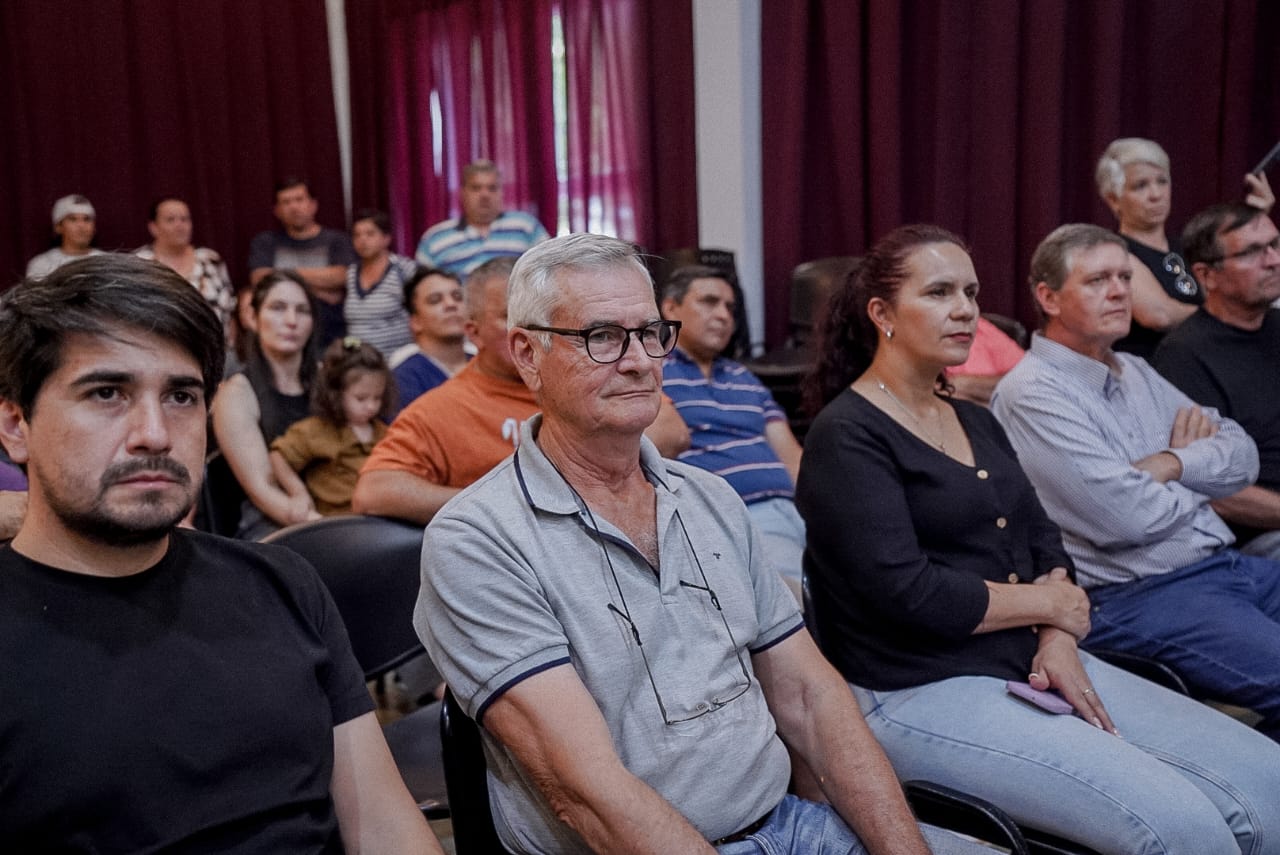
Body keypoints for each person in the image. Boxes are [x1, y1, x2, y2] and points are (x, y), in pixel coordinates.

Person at [414, 232, 985, 855]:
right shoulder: (478, 540)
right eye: (601, 337)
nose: (638, 361)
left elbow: (812, 700)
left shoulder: (710, 498)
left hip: (790, 826)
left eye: (650, 333)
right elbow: (587, 794)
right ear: (527, 354)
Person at [798, 223, 1280, 853]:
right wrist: (1050, 607)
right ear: (882, 313)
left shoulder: (974, 417)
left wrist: (1056, 637)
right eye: (940, 292)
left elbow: (1043, 541)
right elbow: (908, 594)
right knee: (1187, 830)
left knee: (1267, 782)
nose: (966, 309)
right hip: (915, 686)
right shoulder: (847, 435)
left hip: (1035, 659)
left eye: (970, 292)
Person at [0, 254, 441, 853]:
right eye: (107, 392)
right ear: (15, 423)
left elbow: (387, 830)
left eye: (181, 396)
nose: (154, 433)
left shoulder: (282, 583)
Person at [991, 223, 1280, 742]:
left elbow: (1243, 457)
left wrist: (1170, 463)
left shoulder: (1133, 370)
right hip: (1143, 594)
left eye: (1125, 276)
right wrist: (1198, 471)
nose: (1122, 290)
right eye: (1099, 279)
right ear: (1048, 297)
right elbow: (1129, 517)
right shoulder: (1032, 393)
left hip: (1226, 564)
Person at [353, 257, 689, 525]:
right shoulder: (442, 409)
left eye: (543, 316)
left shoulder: (589, 377)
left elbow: (671, 430)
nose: (534, 330)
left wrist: (587, 475)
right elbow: (374, 491)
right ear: (474, 332)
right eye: (513, 317)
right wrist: (510, 503)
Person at [659, 265, 806, 596]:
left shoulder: (744, 377)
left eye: (729, 307)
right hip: (736, 517)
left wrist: (825, 513)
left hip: (795, 510)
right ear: (670, 308)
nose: (723, 316)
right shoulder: (653, 371)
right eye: (709, 302)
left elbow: (791, 455)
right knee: (795, 600)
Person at [1153, 204, 1280, 559]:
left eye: (1274, 245)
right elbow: (1210, 487)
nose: (1272, 260)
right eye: (1252, 252)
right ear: (1207, 275)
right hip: (1257, 537)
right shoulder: (1184, 357)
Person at [1095, 137, 1274, 358]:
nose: (1156, 194)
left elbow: (1230, 288)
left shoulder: (1183, 246)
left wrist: (1255, 220)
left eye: (1162, 181)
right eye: (1141, 186)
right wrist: (1233, 314)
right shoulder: (1115, 252)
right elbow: (1160, 315)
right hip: (1154, 373)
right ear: (1114, 199)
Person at [212, 271, 323, 539]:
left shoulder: (327, 379)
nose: (291, 321)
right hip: (271, 526)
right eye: (278, 308)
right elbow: (263, 492)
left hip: (333, 511)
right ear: (252, 317)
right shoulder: (237, 392)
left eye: (302, 311)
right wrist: (336, 529)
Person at [270, 338, 394, 516]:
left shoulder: (383, 432)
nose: (371, 406)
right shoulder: (316, 430)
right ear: (335, 394)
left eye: (377, 398)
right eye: (361, 398)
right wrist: (298, 493)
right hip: (334, 525)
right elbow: (278, 457)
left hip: (377, 522)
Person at [248, 177, 356, 348]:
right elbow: (259, 279)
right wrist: (321, 291)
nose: (294, 207)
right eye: (286, 202)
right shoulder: (266, 242)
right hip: (282, 336)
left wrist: (280, 273)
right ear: (277, 210)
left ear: (313, 205)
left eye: (299, 200)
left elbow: (342, 276)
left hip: (331, 337)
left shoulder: (337, 240)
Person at [414, 159, 550, 276]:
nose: (485, 195)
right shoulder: (435, 239)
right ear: (462, 193)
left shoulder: (526, 227)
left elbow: (550, 271)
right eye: (476, 188)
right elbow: (423, 289)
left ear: (501, 192)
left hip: (518, 305)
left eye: (492, 188)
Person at [135, 196, 237, 347]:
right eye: (171, 220)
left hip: (216, 352)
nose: (180, 225)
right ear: (153, 227)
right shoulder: (139, 263)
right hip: (157, 353)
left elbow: (230, 312)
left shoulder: (210, 259)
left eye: (185, 219)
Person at [387, 266, 469, 413]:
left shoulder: (488, 364)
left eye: (458, 297)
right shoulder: (402, 379)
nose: (451, 305)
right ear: (415, 322)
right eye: (435, 300)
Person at [343, 209, 416, 358]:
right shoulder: (351, 273)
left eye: (370, 234)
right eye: (357, 235)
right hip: (359, 362)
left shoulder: (404, 270)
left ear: (386, 238)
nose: (362, 240)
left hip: (397, 361)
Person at [942, 315, 1024, 405]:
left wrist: (963, 384)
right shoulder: (928, 339)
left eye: (970, 300)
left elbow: (1026, 379)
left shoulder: (979, 326)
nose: (964, 308)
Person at [26, 194, 104, 278]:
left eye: (87, 219)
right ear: (58, 227)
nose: (81, 226)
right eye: (73, 219)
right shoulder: (42, 265)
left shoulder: (106, 262)